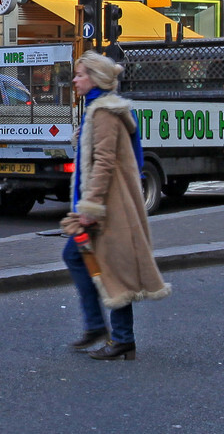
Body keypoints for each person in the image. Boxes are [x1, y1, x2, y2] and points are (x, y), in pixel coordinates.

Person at [61, 52, 168, 360]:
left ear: (94, 78)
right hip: (106, 201)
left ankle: (116, 335)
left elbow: (105, 163)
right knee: (88, 259)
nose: (75, 80)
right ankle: (107, 331)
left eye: (80, 74)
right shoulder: (98, 110)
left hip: (109, 205)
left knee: (109, 266)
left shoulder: (104, 113)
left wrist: (91, 205)